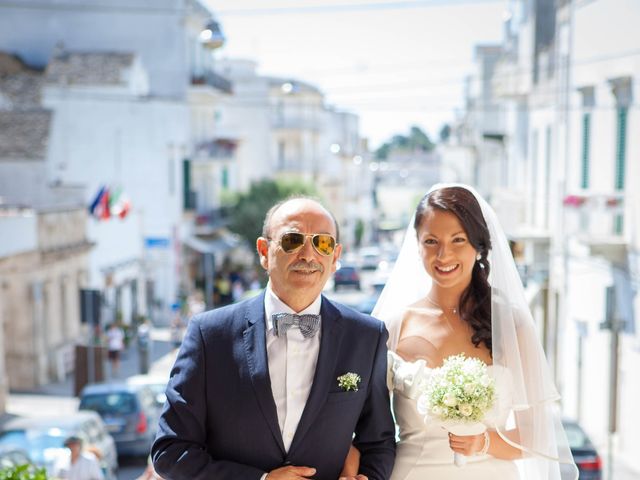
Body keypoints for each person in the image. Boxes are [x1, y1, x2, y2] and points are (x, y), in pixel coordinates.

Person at [343, 184, 578, 479]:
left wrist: (484, 442)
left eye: (458, 240)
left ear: (478, 246)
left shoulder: (512, 326)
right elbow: (362, 425)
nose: (444, 254)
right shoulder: (393, 326)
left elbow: (534, 434)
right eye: (431, 241)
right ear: (416, 245)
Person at [152, 197, 396, 480]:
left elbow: (378, 442)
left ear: (335, 257)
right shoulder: (210, 336)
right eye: (292, 240)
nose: (308, 254)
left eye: (323, 243)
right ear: (264, 251)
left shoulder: (367, 337)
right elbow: (170, 451)